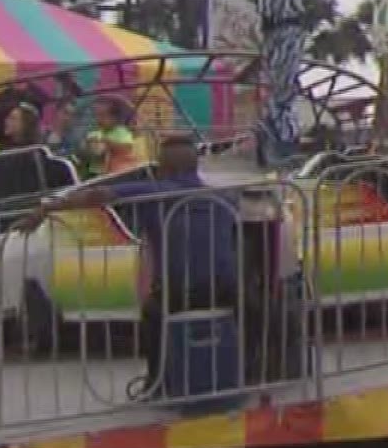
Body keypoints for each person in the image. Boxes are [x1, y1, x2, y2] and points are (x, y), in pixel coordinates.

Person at [18, 134, 241, 391]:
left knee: (152, 315)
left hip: (179, 291)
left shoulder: (152, 191)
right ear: (195, 166)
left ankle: (158, 384)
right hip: (226, 288)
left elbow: (96, 195)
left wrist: (46, 209)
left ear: (161, 168)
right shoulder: (224, 198)